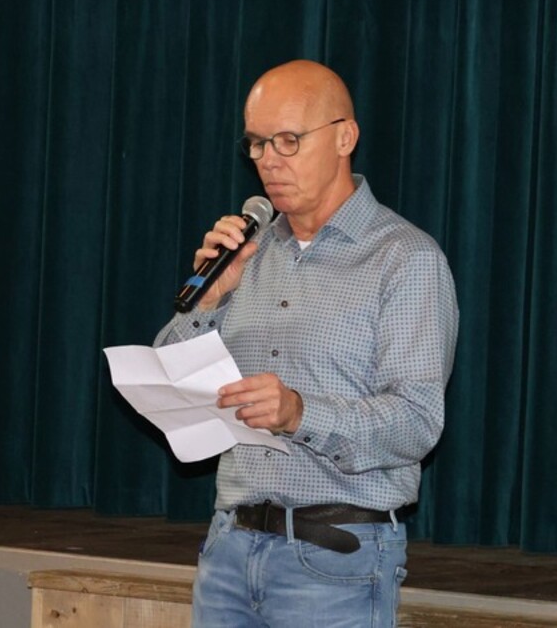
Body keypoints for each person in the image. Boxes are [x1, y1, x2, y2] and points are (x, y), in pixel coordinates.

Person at [154, 59, 458, 627]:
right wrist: (210, 301)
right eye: (257, 143)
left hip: (334, 561)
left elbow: (417, 422)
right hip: (229, 550)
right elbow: (169, 384)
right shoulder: (246, 254)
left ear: (345, 137)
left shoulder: (404, 259)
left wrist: (299, 414)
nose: (268, 160)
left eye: (288, 140)